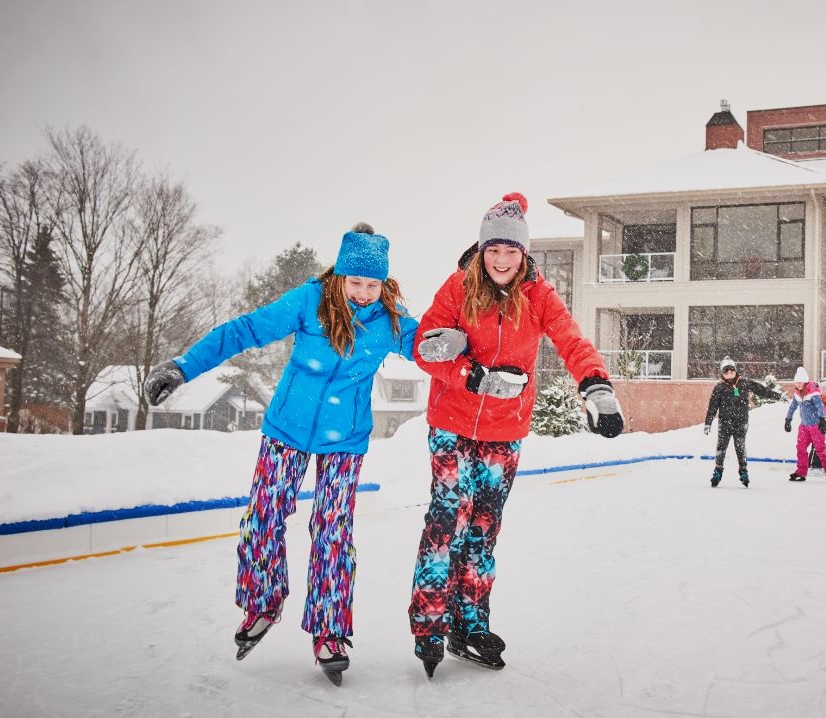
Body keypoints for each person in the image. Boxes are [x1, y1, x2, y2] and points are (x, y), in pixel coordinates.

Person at [142, 223, 418, 686]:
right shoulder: (308, 302)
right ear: (339, 277)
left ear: (384, 284)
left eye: (373, 285)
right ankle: (262, 603)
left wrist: (464, 358)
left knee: (333, 531)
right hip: (286, 430)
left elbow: (431, 351)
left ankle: (330, 632)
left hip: (344, 440)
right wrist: (182, 366)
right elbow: (244, 331)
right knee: (264, 517)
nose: (364, 293)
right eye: (356, 283)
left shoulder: (390, 322)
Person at [408, 193, 623, 679]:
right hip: (451, 424)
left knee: (483, 528)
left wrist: (596, 385)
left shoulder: (539, 296)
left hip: (505, 431)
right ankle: (429, 620)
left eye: (511, 251)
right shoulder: (457, 287)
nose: (502, 260)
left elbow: (571, 339)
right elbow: (425, 350)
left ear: (524, 255)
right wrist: (470, 374)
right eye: (494, 250)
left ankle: (471, 623)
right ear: (481, 251)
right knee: (448, 519)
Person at [703, 356, 784, 488]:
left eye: (732, 371)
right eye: (726, 372)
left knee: (740, 447)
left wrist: (777, 395)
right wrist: (708, 422)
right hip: (725, 423)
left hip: (741, 422)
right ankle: (718, 471)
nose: (729, 374)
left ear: (735, 371)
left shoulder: (744, 383)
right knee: (721, 447)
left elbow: (761, 390)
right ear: (722, 373)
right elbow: (713, 406)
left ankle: (743, 471)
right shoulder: (719, 388)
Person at [784, 367, 826, 482]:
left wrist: (822, 420)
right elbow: (792, 406)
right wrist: (788, 419)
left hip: (815, 426)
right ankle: (801, 472)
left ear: (805, 382)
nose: (798, 384)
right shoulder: (797, 393)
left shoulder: (813, 392)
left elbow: (820, 406)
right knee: (800, 448)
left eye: (800, 382)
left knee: (820, 448)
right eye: (796, 382)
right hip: (804, 426)